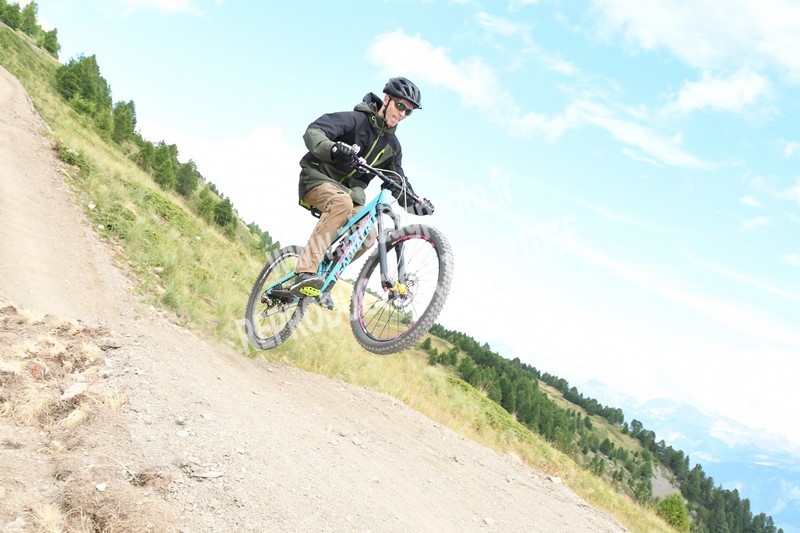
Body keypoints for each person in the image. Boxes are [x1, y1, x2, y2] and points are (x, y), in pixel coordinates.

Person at [289, 76, 434, 297]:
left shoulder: (392, 147)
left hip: (350, 196)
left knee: (367, 235)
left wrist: (415, 203)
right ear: (387, 99)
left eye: (408, 112)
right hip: (317, 178)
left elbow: (398, 181)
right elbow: (314, 131)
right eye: (400, 106)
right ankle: (305, 272)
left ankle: (324, 282)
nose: (402, 114)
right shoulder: (355, 120)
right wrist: (333, 149)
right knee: (342, 203)